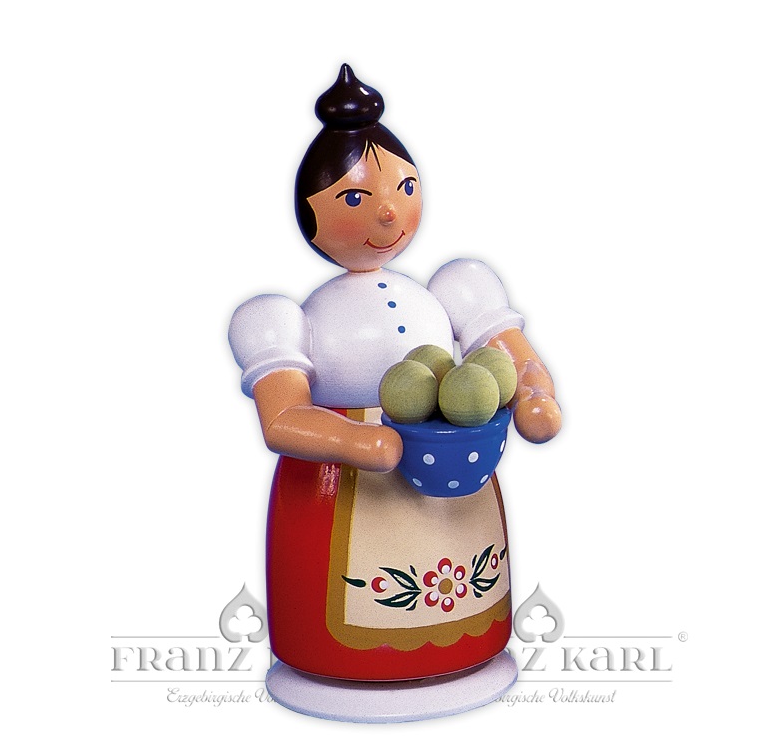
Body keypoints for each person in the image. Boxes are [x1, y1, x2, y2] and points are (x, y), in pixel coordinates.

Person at [228, 65, 560, 717]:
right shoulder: (286, 319)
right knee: (349, 592)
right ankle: (336, 664)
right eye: (356, 198)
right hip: (341, 487)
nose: (388, 211)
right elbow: (283, 416)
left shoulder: (453, 288)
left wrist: (533, 396)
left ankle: (470, 646)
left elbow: (514, 359)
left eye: (404, 188)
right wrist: (359, 441)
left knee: (459, 573)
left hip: (453, 465)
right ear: (309, 213)